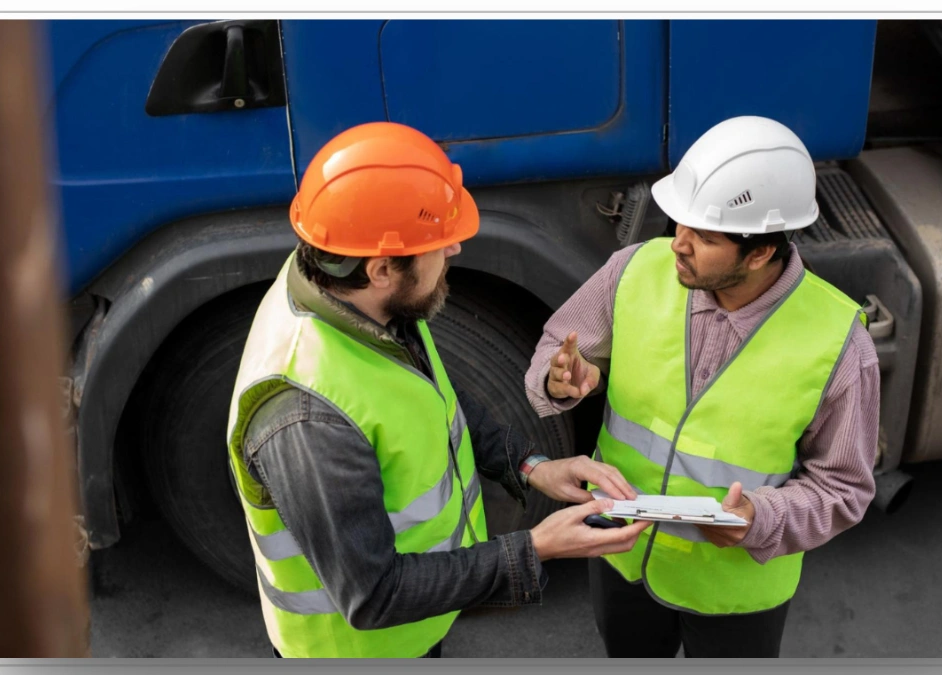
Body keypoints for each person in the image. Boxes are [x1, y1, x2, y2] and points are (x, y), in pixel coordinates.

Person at [225, 121, 648, 659]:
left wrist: (532, 466)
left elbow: (432, 400)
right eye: (437, 244)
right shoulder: (307, 419)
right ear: (381, 269)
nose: (453, 249)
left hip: (417, 629)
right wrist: (535, 547)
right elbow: (374, 596)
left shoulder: (358, 296)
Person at [524, 116, 880, 658]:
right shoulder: (633, 270)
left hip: (733, 595)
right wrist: (562, 379)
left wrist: (763, 519)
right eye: (679, 224)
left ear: (760, 252)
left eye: (705, 237)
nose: (678, 246)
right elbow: (558, 350)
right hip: (623, 560)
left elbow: (844, 489)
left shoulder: (840, 345)